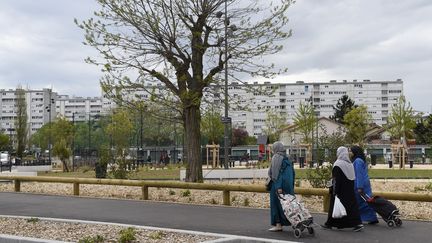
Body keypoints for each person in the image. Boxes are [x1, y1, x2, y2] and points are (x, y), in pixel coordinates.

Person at [322, 146, 363, 231]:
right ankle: (357, 223)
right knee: (351, 207)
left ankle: (329, 223)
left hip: (340, 190)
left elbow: (336, 179)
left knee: (334, 206)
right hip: (349, 190)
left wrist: (334, 191)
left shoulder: (338, 164)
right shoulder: (350, 164)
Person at [267, 141, 295, 232]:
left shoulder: (276, 157)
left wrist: (278, 187)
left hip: (278, 185)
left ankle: (278, 224)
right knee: (289, 205)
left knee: (276, 204)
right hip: (288, 185)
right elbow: (293, 173)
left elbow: (276, 174)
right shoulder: (288, 157)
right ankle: (295, 221)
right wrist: (291, 185)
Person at [351, 145, 379, 225]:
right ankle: (371, 217)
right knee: (366, 200)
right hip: (364, 183)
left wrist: (359, 187)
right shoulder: (361, 160)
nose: (350, 153)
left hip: (359, 183)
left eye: (351, 151)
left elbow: (359, 174)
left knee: (361, 201)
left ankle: (360, 218)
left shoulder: (358, 161)